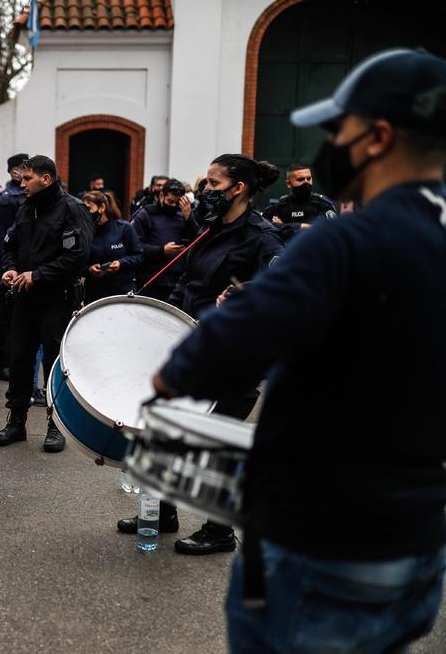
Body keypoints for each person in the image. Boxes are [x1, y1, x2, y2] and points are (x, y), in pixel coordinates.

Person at [153, 48, 446, 653]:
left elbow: (221, 350)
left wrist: (168, 375)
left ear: (378, 137)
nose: (331, 145)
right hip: (416, 533)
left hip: (321, 534)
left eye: (340, 130)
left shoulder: (345, 242)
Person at [116, 152, 284, 554]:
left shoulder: (261, 237)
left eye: (213, 183)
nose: (204, 189)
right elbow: (187, 284)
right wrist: (162, 323)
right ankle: (163, 512)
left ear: (237, 189)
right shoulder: (209, 228)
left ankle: (220, 531)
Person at [0, 155, 93, 453]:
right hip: (24, 299)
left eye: (27, 178)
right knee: (19, 360)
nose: (21, 184)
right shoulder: (26, 208)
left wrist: (37, 275)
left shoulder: (72, 209)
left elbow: (77, 256)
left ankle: (56, 426)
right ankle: (16, 423)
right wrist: (10, 268)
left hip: (57, 300)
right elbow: (8, 246)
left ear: (45, 179)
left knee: (53, 363)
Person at [0, 153, 28, 382]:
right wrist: (7, 265)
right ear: (15, 172)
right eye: (24, 169)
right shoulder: (7, 199)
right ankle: (2, 363)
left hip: (21, 263)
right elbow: (3, 238)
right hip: (10, 265)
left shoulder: (22, 196)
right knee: (8, 316)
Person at [131, 178, 196, 302]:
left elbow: (196, 242)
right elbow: (135, 246)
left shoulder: (184, 215)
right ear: (161, 195)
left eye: (177, 203)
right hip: (151, 278)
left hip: (178, 280)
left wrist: (188, 218)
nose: (173, 206)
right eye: (170, 201)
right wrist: (161, 250)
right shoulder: (146, 214)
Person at [82, 190, 143, 303]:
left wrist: (121, 263)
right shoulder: (84, 233)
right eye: (83, 209)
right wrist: (88, 269)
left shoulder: (124, 228)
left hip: (122, 292)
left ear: (102, 207)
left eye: (89, 208)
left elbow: (138, 256)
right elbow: (76, 262)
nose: (86, 213)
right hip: (95, 295)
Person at [261, 163, 337, 243]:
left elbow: (325, 230)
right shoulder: (278, 206)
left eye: (309, 178)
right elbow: (265, 230)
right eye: (300, 180)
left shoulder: (323, 204)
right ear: (288, 184)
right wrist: (304, 227)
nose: (306, 182)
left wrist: (283, 226)